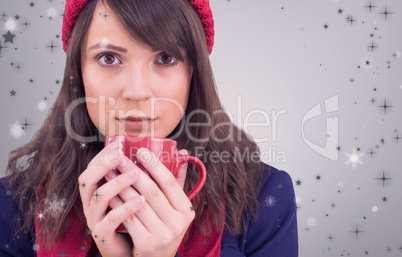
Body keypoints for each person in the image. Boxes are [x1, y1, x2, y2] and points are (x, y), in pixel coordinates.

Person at [0, 0, 298, 256]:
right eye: (108, 58)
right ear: (78, 71)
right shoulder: (11, 206)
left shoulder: (263, 197)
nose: (137, 91)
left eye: (165, 58)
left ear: (193, 73)